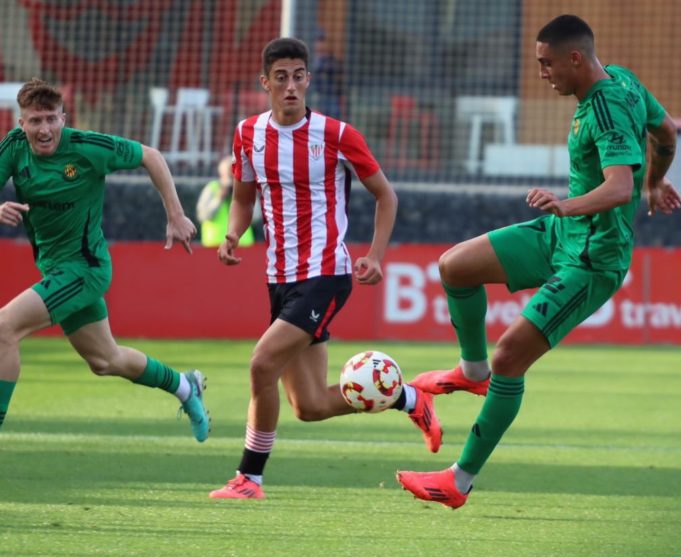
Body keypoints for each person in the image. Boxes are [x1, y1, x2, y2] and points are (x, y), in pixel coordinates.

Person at [396, 14, 681, 509]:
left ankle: (458, 481)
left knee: (511, 357)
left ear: (575, 58)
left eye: (547, 64)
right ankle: (471, 370)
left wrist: (571, 202)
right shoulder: (626, 80)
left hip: (592, 258)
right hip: (561, 235)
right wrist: (656, 179)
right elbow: (668, 132)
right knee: (454, 266)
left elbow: (617, 189)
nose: (543, 73)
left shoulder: (611, 106)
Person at [208, 37, 441, 500]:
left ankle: (249, 478)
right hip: (280, 278)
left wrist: (374, 255)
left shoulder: (336, 135)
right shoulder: (247, 133)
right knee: (310, 406)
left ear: (308, 80)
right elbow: (242, 196)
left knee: (261, 364)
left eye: (298, 76)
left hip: (324, 274)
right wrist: (234, 232)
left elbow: (386, 196)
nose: (291, 86)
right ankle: (408, 397)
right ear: (266, 83)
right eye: (281, 78)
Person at [0, 78, 210, 442]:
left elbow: (151, 155)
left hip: (85, 269)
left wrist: (175, 215)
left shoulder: (87, 148)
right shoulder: (15, 147)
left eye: (51, 119)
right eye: (35, 121)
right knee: (105, 361)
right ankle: (184, 386)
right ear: (22, 124)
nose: (44, 129)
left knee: (4, 328)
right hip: (55, 269)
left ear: (63, 119)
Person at [196, 155, 255, 248]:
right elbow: (203, 215)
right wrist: (219, 197)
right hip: (214, 245)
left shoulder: (245, 188)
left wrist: (240, 199)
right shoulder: (212, 188)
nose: (232, 176)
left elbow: (256, 217)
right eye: (228, 173)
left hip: (243, 245)